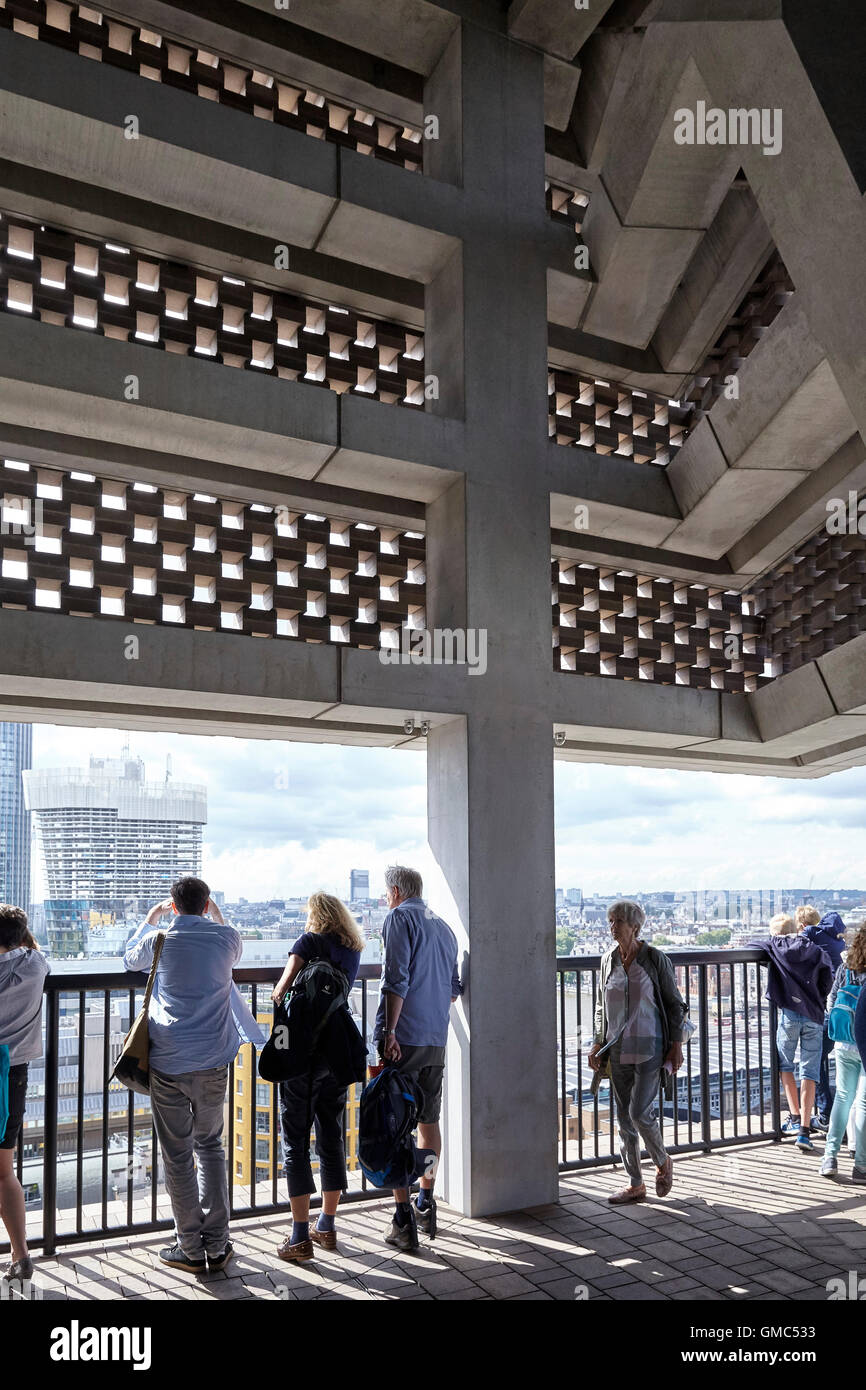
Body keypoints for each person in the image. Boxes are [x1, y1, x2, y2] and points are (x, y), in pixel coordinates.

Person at [124, 875, 242, 1274]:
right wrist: (215, 913)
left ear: (173, 907)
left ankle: (190, 1246)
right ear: (207, 904)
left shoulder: (159, 940)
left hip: (169, 1060)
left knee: (177, 1155)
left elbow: (129, 960)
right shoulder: (226, 940)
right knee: (211, 1146)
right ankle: (219, 1242)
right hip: (212, 1060)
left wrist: (151, 918)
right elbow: (231, 937)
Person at [271, 893, 364, 1262]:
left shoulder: (308, 942)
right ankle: (325, 1225)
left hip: (303, 1055)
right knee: (331, 1136)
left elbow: (281, 988)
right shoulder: (352, 948)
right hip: (336, 1054)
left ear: (315, 916)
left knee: (295, 1139)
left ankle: (298, 1236)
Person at [373, 865, 462, 1250]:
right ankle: (426, 1198)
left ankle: (403, 1216)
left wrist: (390, 1031)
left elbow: (396, 979)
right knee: (428, 1120)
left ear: (395, 892)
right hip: (435, 1038)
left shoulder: (399, 918)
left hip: (404, 1037)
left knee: (393, 1124)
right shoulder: (443, 927)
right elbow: (454, 989)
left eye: (385, 894)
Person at [589, 900, 687, 1205]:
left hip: (650, 1047)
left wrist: (676, 1046)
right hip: (617, 1049)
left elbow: (674, 1004)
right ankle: (635, 1183)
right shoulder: (608, 960)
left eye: (617, 921)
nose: (612, 927)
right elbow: (601, 1007)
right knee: (624, 1120)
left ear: (635, 926)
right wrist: (596, 1042)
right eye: (610, 921)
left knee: (639, 1113)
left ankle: (662, 1161)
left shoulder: (655, 959)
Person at [749, 912, 834, 1153]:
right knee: (810, 1071)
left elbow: (752, 945)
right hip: (814, 1015)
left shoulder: (773, 945)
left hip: (789, 1014)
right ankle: (805, 1130)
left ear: (775, 932)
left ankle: (794, 1116)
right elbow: (827, 980)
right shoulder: (816, 950)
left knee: (784, 1065)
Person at [0, 905, 49, 1284]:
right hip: (13, 1075)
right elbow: (30, 948)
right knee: (5, 1172)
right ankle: (20, 1255)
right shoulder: (35, 966)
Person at [819, 922, 866, 1182]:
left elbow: (831, 1002)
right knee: (863, 1102)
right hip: (865, 1044)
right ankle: (861, 1165)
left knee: (843, 1098)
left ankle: (829, 1156)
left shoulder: (846, 968)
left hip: (843, 1042)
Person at [800, 907, 847, 1129]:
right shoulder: (840, 939)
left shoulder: (809, 933)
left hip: (830, 1009)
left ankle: (826, 1114)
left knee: (815, 1058)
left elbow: (795, 949)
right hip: (848, 1011)